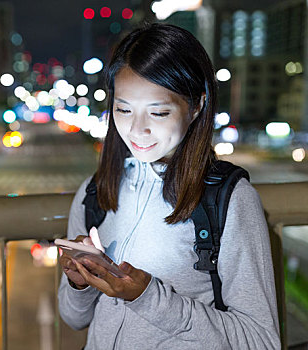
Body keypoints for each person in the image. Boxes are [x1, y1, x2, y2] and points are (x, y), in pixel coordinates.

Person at [57, 23, 281, 349]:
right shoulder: (94, 192)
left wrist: (148, 298)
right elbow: (74, 318)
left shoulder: (228, 199)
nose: (137, 130)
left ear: (197, 106)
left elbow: (261, 341)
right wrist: (81, 283)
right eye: (123, 109)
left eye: (158, 112)